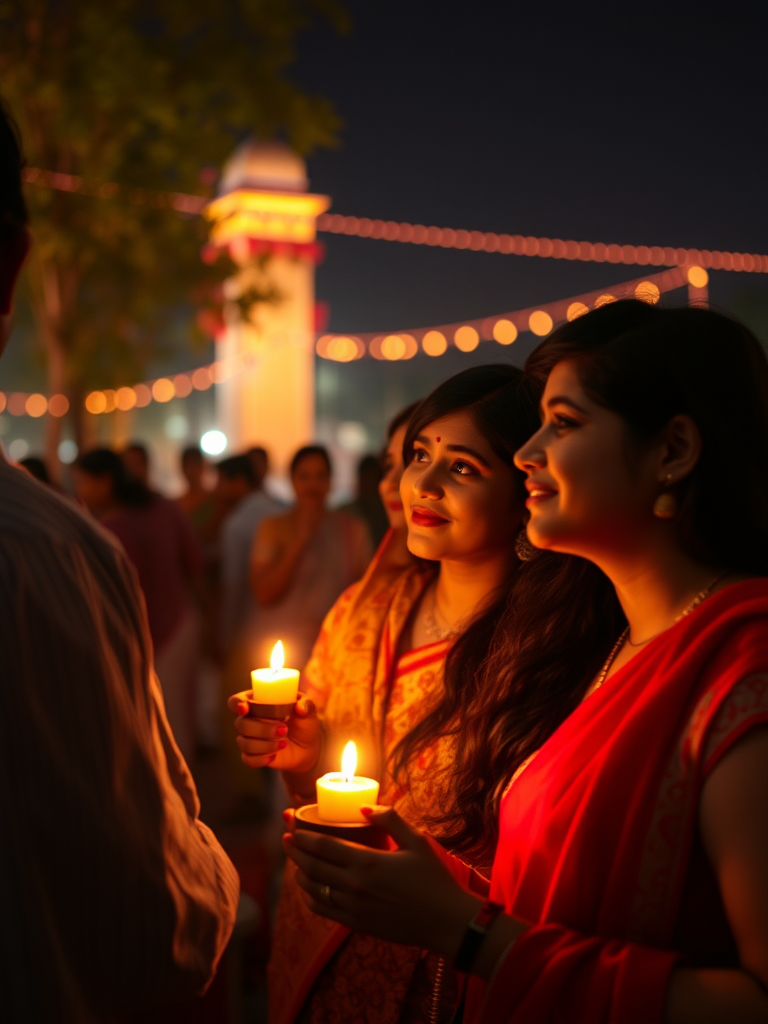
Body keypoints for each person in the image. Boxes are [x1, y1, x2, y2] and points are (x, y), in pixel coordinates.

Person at [284, 300, 768, 1023]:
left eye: (564, 424)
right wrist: (418, 880)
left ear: (671, 452)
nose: (526, 453)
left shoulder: (742, 675)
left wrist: (465, 932)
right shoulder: (617, 648)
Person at [232, 375, 619, 1024]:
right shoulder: (365, 607)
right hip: (316, 942)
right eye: (419, 456)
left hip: (445, 971)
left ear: (525, 486)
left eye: (462, 467)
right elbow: (324, 789)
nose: (424, 485)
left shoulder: (557, 658)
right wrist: (299, 760)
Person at [0, 101, 238, 1021]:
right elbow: (150, 920)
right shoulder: (48, 555)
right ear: (12, 264)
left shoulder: (66, 545)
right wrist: (214, 874)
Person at [73, 449, 204, 761]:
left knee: (162, 725)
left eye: (83, 482)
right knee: (174, 721)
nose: (80, 491)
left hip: (152, 631)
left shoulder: (109, 529)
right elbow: (195, 565)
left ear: (105, 481)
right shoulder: (164, 507)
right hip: (180, 623)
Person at [246, 445, 372, 671]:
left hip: (334, 650)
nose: (313, 485)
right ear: (292, 481)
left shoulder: (353, 530)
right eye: (304, 477)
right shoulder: (272, 528)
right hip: (282, 649)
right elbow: (264, 594)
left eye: (320, 476)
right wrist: (300, 542)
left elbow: (365, 596)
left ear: (330, 481)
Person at [339, 453, 389, 550]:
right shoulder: (344, 514)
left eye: (371, 481)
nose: (368, 486)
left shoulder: (386, 516)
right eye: (365, 480)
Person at [177, 444, 216, 538]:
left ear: (203, 467)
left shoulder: (215, 500)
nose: (191, 471)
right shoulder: (177, 503)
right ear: (182, 468)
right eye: (187, 466)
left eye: (195, 465)